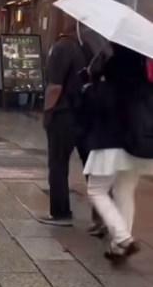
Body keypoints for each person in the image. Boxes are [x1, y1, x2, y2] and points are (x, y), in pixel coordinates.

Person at [84, 44, 153, 261]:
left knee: (96, 190)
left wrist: (92, 80)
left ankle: (123, 238)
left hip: (111, 142)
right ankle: (119, 247)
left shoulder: (112, 71)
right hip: (137, 144)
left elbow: (99, 105)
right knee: (125, 191)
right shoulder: (143, 75)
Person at [40, 17, 95, 226]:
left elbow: (55, 87)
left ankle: (61, 213)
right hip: (85, 114)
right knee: (91, 166)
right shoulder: (88, 48)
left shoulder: (62, 47)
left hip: (63, 116)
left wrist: (47, 112)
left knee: (58, 165)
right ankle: (104, 216)